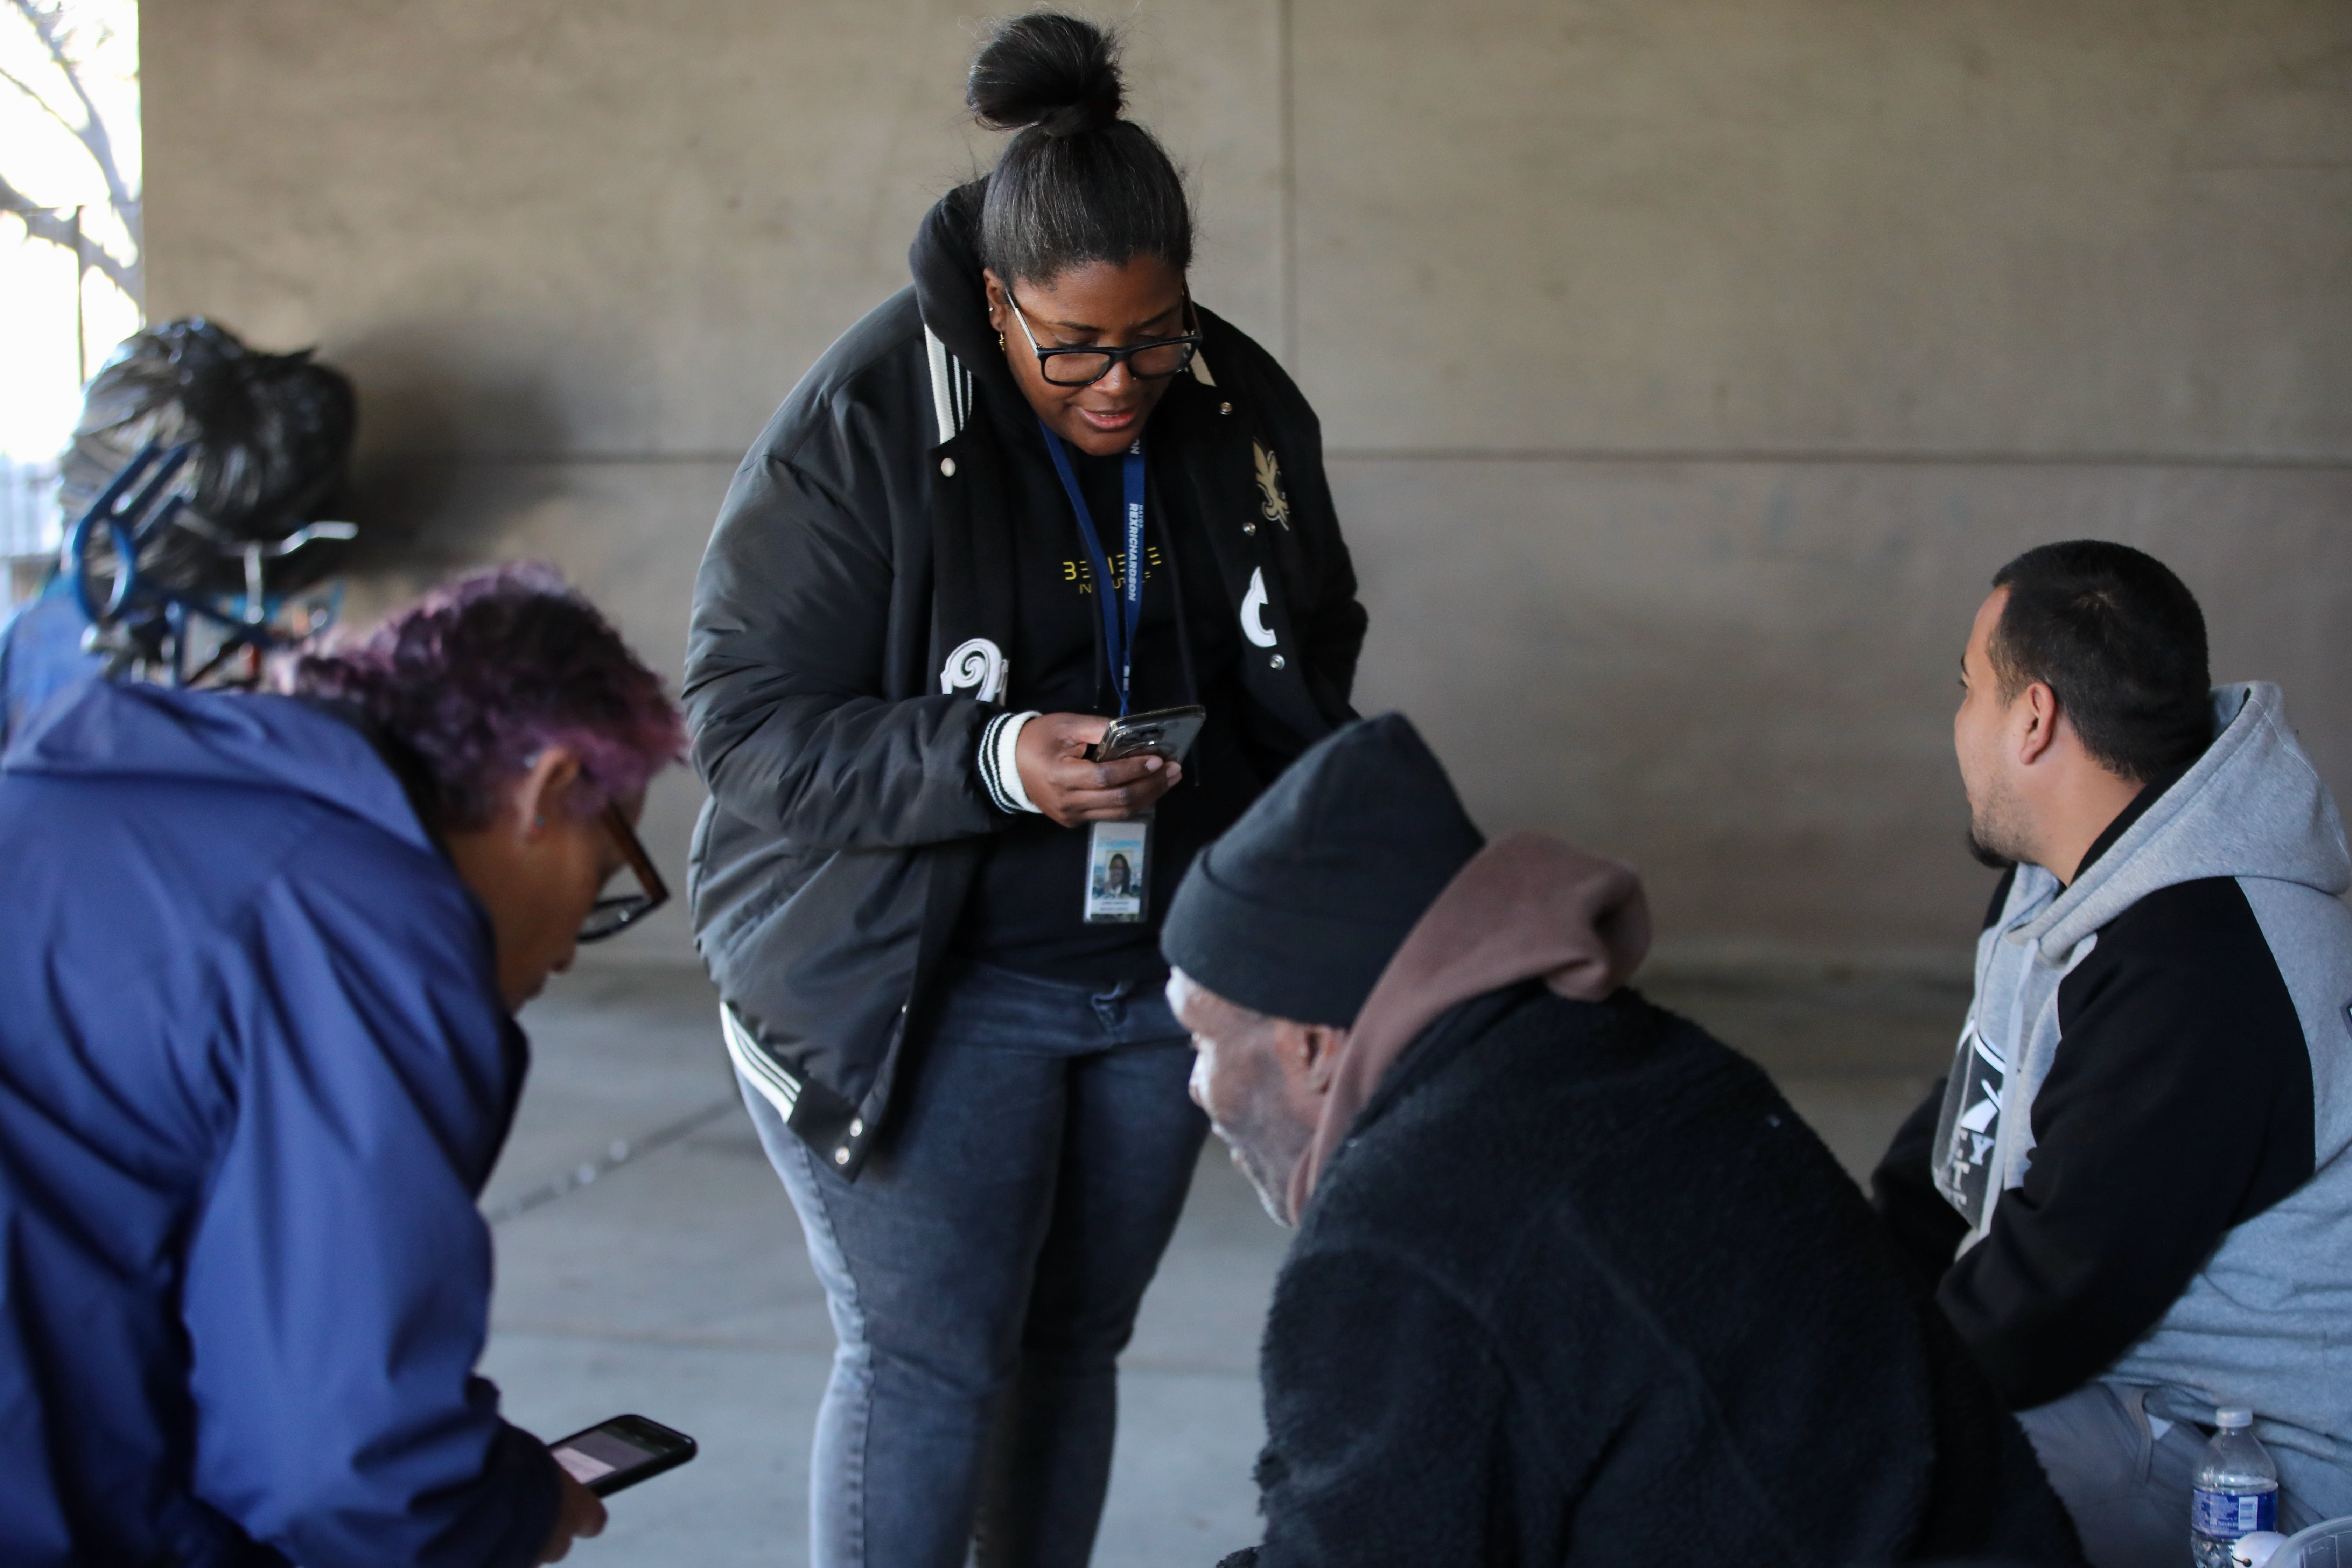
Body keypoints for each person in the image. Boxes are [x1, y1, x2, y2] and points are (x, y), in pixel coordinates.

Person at [681, 13, 1365, 1565]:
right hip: (925, 980)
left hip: (1155, 975)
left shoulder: (1236, 404)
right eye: (1077, 349)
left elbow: (1312, 634)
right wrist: (990, 760)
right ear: (997, 304)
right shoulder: (862, 424)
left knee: (1074, 1348)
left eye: (1158, 337)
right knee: (931, 1361)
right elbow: (741, 723)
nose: (1124, 384)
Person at [1162, 712, 2084, 1567]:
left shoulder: (1403, 1230)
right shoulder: (1636, 1060)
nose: (1197, 1089)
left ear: (1315, 1046)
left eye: (1206, 1042)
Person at [0, 562, 683, 1566]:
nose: (579, 940)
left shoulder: (84, 797)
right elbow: (342, 1470)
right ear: (551, 789)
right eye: (607, 869)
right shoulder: (361, 923)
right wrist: (515, 1511)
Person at [1869, 541, 2352, 1566]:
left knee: (1863, 1490)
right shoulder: (2064, 887)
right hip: (2131, 1395)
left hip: (2256, 1462)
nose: (1958, 727)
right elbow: (1960, 1138)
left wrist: (1841, 1389)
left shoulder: (2204, 967)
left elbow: (2050, 1304)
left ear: (2034, 719)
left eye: (1969, 692)